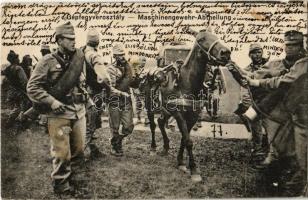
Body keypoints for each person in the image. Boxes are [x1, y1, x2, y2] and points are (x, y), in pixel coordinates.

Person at [27, 22, 91, 195]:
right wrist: (52, 102)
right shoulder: (47, 61)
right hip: (58, 114)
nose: (73, 42)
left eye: (74, 38)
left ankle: (77, 185)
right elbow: (32, 87)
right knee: (62, 154)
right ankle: (61, 188)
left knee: (78, 152)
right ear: (59, 40)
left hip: (79, 112)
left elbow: (84, 83)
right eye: (69, 39)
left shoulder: (79, 57)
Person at [228, 30, 307, 167]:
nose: (290, 48)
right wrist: (234, 69)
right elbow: (251, 77)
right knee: (265, 129)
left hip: (301, 111)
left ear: (301, 46)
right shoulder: (274, 65)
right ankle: (268, 152)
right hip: (276, 108)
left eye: (295, 45)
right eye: (288, 44)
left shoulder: (303, 65)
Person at [233, 43, 269, 164]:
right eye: (254, 52)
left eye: (259, 52)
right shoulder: (246, 70)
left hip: (270, 102)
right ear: (250, 55)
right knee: (255, 124)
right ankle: (257, 150)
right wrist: (248, 104)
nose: (257, 55)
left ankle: (271, 150)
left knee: (271, 128)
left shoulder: (269, 66)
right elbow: (244, 89)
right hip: (256, 103)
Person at [82, 28, 110, 159]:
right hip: (93, 93)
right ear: (97, 42)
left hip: (82, 92)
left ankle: (92, 150)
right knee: (90, 125)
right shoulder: (93, 55)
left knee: (89, 123)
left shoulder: (80, 52)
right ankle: (79, 155)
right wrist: (108, 87)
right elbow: (104, 78)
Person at [107, 43, 135, 157]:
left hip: (126, 100)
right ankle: (115, 146)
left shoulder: (128, 66)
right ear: (114, 56)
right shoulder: (110, 68)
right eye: (119, 55)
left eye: (123, 54)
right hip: (115, 100)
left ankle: (117, 141)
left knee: (128, 126)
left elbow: (132, 82)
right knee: (115, 126)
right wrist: (121, 92)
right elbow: (110, 87)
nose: (122, 57)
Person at [1, 50, 29, 126]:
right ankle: (22, 121)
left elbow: (6, 81)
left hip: (12, 91)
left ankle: (10, 120)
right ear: (15, 59)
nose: (19, 59)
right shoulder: (18, 68)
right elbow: (24, 81)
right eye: (17, 58)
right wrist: (27, 90)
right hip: (20, 91)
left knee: (17, 106)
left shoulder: (7, 69)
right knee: (24, 106)